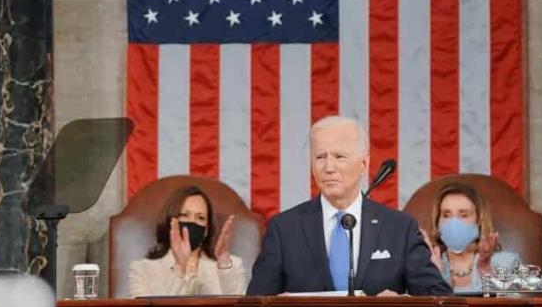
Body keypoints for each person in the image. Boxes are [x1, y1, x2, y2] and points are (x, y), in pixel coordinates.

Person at [246, 116, 452, 296]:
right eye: (320, 157)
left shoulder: (399, 228)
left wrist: (402, 302)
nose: (328, 167)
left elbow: (438, 300)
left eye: (339, 157)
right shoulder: (284, 229)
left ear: (364, 164)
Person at [128, 186, 247, 297]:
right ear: (171, 221)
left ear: (206, 229)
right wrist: (179, 267)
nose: (192, 223)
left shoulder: (232, 266)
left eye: (200, 218)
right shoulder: (142, 270)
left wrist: (223, 262)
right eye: (185, 215)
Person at [420, 183, 521, 293]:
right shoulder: (426, 265)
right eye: (446, 215)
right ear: (437, 221)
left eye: (463, 215)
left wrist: (486, 272)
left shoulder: (506, 263)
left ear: (479, 220)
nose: (454, 223)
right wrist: (434, 277)